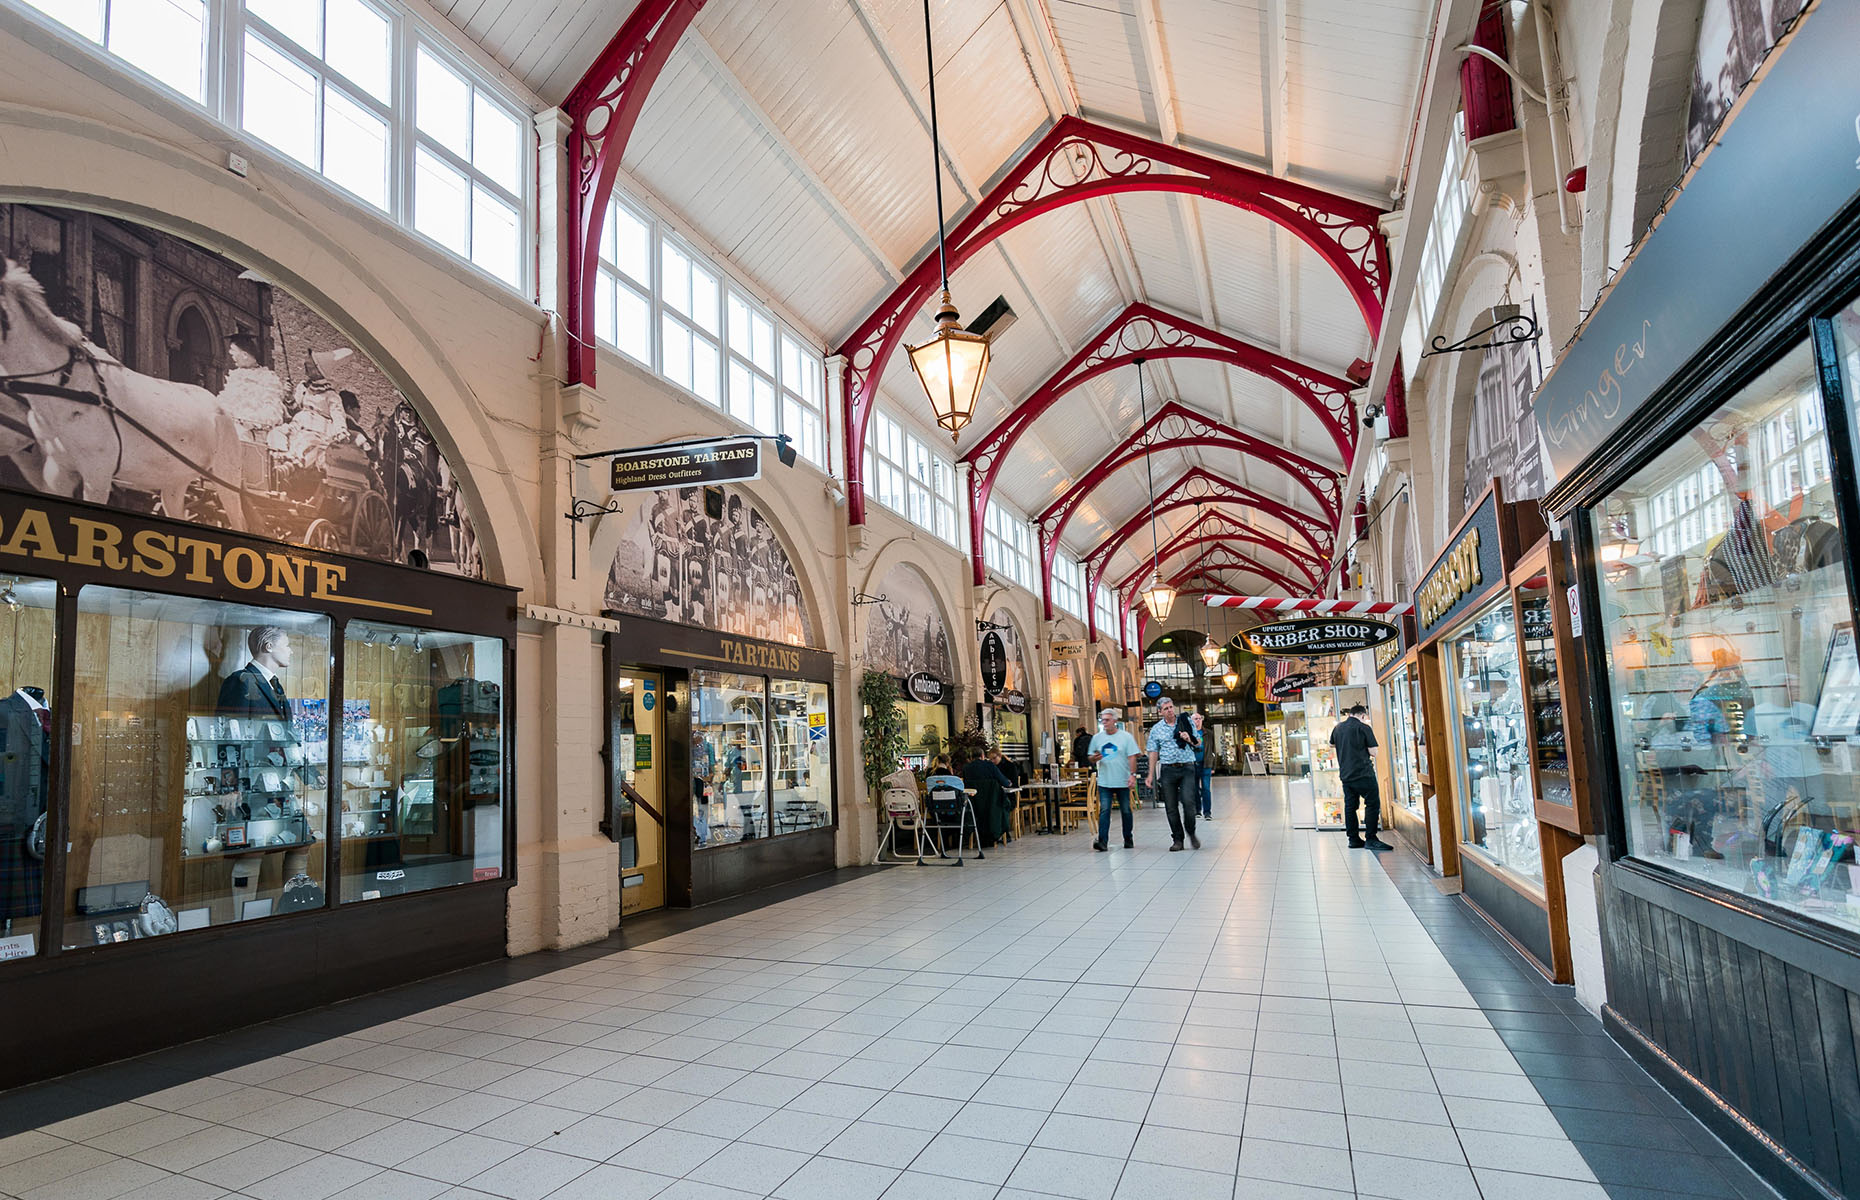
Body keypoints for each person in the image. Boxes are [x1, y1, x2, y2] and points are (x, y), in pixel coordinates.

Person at [1146, 696, 1201, 851]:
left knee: (1188, 802)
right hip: (1168, 770)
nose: (1170, 711)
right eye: (1166, 709)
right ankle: (1178, 839)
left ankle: (1191, 832)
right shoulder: (1156, 729)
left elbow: (1198, 742)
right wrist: (1150, 774)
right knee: (1171, 806)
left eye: (1171, 707)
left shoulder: (1185, 721)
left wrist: (1189, 738)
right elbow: (1153, 752)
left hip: (1187, 768)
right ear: (1160, 712)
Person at [1331, 704, 1389, 850]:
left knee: (1350, 806)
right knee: (1372, 804)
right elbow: (1374, 752)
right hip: (1363, 773)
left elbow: (1332, 745)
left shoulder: (1338, 728)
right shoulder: (1364, 728)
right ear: (1363, 715)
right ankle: (1371, 838)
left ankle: (1353, 839)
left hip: (1346, 775)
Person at [1088, 708, 1141, 851]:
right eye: (1102, 720)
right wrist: (1094, 758)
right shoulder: (1097, 738)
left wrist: (1132, 775)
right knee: (1105, 810)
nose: (1104, 723)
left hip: (1122, 780)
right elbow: (1090, 757)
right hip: (1105, 781)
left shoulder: (1126, 737)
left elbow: (1132, 757)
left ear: (1115, 721)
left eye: (1107, 720)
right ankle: (1103, 841)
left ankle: (1128, 837)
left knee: (1125, 810)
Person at [1191, 710, 1214, 820]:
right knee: (1194, 789)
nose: (1198, 721)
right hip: (1193, 765)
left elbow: (1213, 750)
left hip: (1206, 765)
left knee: (1206, 788)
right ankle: (1197, 810)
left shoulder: (1208, 733)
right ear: (1191, 721)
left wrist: (1213, 766)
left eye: (1200, 718)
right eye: (1196, 719)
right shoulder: (1189, 734)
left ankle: (1207, 812)